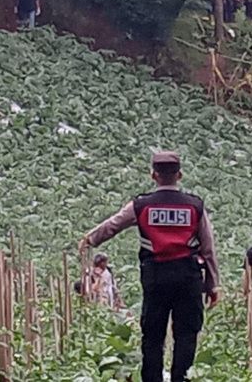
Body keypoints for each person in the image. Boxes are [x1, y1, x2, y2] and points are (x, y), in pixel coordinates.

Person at [78, 151, 220, 382]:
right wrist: (213, 285)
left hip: (156, 277)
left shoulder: (142, 205)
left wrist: (89, 239)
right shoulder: (195, 206)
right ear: (180, 175)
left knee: (152, 334)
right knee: (186, 334)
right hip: (188, 277)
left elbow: (113, 225)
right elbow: (208, 248)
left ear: (153, 175)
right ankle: (181, 378)